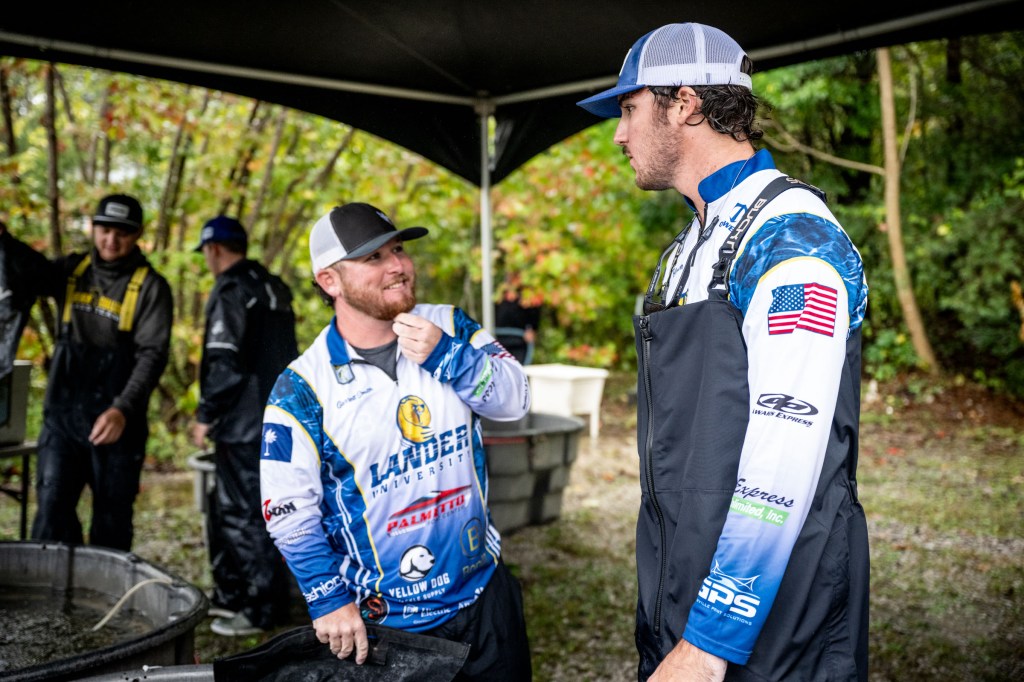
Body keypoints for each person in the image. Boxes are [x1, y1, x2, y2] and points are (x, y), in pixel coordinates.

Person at [577, 23, 870, 681]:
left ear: (683, 103)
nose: (619, 134)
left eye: (629, 109)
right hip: (684, 586)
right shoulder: (692, 243)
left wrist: (711, 639)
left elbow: (787, 446)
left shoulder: (791, 236)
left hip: (773, 620)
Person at [260, 202, 533, 680]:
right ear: (329, 280)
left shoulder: (450, 325)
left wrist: (450, 357)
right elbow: (288, 510)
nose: (398, 266)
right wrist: (328, 600)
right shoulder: (301, 387)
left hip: (484, 594)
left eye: (399, 250)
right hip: (387, 622)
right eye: (374, 258)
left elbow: (517, 401)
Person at [0, 194, 173, 551]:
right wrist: (5, 240)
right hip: (62, 420)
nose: (111, 240)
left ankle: (105, 586)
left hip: (116, 424)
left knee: (111, 524)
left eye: (122, 233)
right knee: (51, 515)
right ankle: (55, 586)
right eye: (104, 230)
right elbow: (30, 273)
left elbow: (152, 356)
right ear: (93, 229)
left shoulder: (151, 287)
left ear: (137, 234)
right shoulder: (71, 271)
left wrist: (122, 409)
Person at [190, 215, 299, 637]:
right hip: (282, 416)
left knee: (243, 512)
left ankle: (259, 609)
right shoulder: (274, 286)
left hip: (243, 423)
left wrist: (205, 414)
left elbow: (224, 361)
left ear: (213, 249)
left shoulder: (232, 290)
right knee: (273, 505)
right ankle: (236, 593)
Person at [494, 277, 541, 366]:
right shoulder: (499, 294)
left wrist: (532, 330)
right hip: (498, 340)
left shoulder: (526, 295)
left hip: (520, 342)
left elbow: (534, 315)